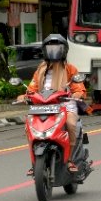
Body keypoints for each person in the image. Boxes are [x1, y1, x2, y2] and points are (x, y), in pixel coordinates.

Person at [18, 34, 86, 175]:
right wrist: (25, 96)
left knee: (71, 124)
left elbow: (78, 86)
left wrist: (78, 93)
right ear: (45, 51)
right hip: (42, 105)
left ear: (64, 50)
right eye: (50, 48)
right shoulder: (40, 70)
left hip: (64, 105)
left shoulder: (70, 69)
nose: (53, 52)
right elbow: (32, 88)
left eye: (57, 48)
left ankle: (70, 159)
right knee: (29, 127)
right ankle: (34, 163)